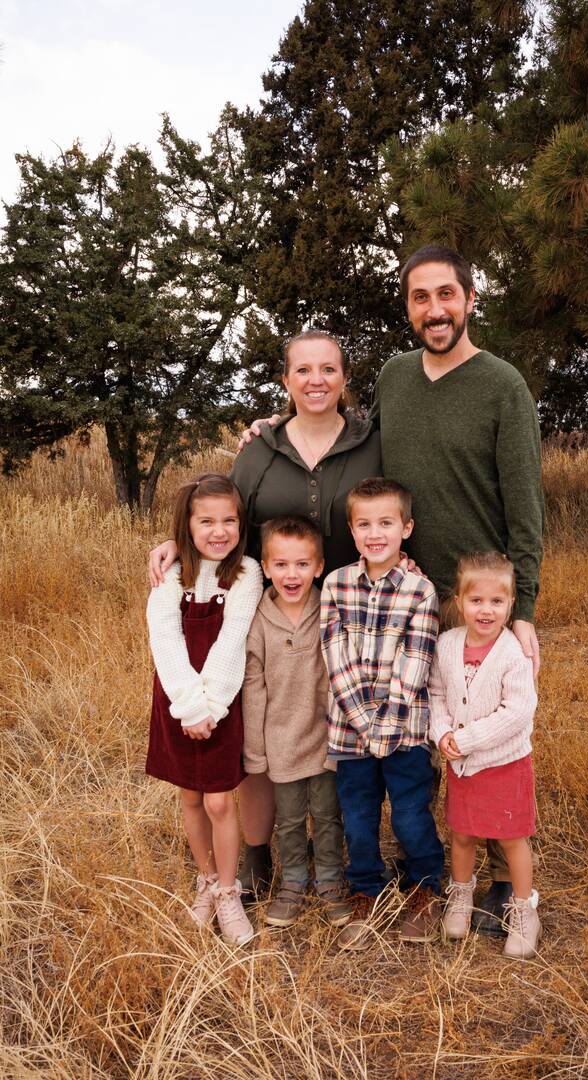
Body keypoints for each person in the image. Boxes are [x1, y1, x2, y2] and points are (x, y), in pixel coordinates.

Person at [238, 246, 544, 931]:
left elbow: (527, 508)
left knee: (482, 736)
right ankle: (426, 871)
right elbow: (338, 434)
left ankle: (493, 878)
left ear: (469, 298)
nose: (434, 309)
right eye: (419, 298)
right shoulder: (399, 379)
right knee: (421, 742)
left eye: (446, 295)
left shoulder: (502, 386)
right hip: (395, 593)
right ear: (407, 307)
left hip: (471, 602)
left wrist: (520, 610)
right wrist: (265, 429)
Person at [148, 331, 382, 898]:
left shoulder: (374, 443)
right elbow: (222, 516)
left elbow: (392, 507)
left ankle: (346, 854)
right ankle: (255, 854)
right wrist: (176, 544)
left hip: (350, 605)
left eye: (329, 368)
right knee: (260, 722)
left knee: (336, 719)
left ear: (345, 379)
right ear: (285, 381)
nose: (316, 380)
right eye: (302, 370)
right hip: (267, 609)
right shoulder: (260, 448)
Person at [321, 477, 444, 950]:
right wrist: (366, 727)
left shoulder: (420, 591)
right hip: (350, 733)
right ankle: (366, 890)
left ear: (406, 528)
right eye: (364, 524)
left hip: (405, 733)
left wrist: (385, 729)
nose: (376, 534)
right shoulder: (335, 584)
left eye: (386, 523)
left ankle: (424, 887)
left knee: (411, 815)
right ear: (351, 532)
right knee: (358, 816)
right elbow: (336, 657)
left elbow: (415, 665)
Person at [146, 473, 263, 945]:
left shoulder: (247, 574)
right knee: (190, 797)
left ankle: (230, 892)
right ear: (186, 527)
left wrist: (209, 706)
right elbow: (166, 640)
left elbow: (232, 642)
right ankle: (207, 880)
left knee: (218, 799)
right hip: (177, 699)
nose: (219, 531)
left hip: (223, 699)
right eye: (207, 521)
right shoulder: (171, 576)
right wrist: (189, 706)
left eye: (229, 520)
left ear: (241, 524)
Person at [429, 551, 540, 959]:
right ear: (459, 602)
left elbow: (518, 711)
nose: (486, 610)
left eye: (497, 602)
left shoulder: (514, 653)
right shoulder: (446, 645)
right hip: (461, 763)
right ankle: (461, 896)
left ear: (512, 605)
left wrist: (468, 737)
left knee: (512, 837)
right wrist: (441, 732)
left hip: (504, 762)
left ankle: (524, 909)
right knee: (462, 833)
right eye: (476, 601)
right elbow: (437, 695)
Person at [242, 515, 351, 929]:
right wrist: (256, 750)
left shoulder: (331, 608)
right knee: (288, 819)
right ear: (266, 567)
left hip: (325, 738)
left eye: (303, 564)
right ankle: (292, 881)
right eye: (282, 565)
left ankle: (328, 879)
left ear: (319, 566)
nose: (292, 574)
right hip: (281, 741)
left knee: (327, 815)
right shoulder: (258, 621)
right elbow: (253, 688)